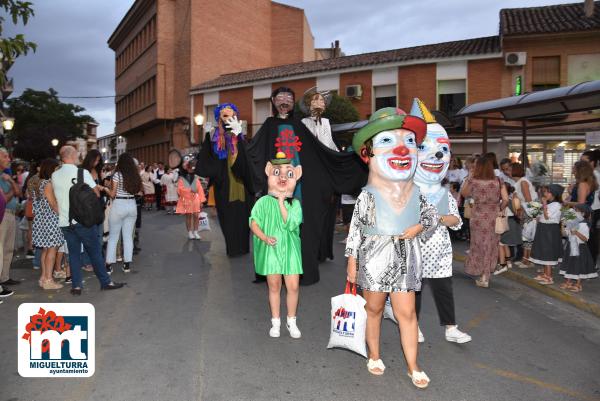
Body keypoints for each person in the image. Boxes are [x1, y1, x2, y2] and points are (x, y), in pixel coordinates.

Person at [234, 86, 366, 285]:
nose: (284, 101)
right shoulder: (269, 125)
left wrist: (344, 158)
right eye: (280, 97)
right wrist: (240, 139)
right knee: (275, 226)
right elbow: (255, 152)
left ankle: (303, 272)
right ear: (273, 101)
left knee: (302, 227)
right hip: (276, 184)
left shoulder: (299, 125)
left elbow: (318, 151)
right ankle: (272, 271)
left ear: (292, 102)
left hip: (300, 186)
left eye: (288, 97)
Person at [345, 107, 435, 389]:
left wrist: (419, 227)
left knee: (407, 313)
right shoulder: (367, 195)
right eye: (387, 141)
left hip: (407, 255)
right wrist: (352, 262)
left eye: (410, 142)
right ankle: (374, 354)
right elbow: (356, 229)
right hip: (374, 255)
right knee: (373, 308)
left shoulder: (417, 192)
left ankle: (413, 366)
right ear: (367, 154)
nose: (402, 149)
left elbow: (430, 217)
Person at [410, 98, 471, 345]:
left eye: (443, 149)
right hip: (413, 250)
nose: (437, 154)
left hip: (440, 253)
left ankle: (451, 327)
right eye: (425, 147)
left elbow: (455, 220)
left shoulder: (443, 192)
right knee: (413, 291)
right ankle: (411, 325)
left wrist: (436, 218)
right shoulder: (406, 190)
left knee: (444, 290)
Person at [52, 145, 124, 295]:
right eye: (77, 154)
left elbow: (55, 198)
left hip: (65, 221)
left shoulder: (55, 175)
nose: (79, 156)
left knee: (73, 254)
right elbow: (96, 194)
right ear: (71, 156)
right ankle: (105, 282)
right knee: (95, 252)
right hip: (83, 220)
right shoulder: (82, 173)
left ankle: (76, 286)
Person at [250, 153, 303, 339]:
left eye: (288, 174)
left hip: (290, 251)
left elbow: (291, 223)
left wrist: (281, 202)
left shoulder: (295, 204)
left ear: (296, 175)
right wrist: (264, 237)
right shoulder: (263, 202)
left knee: (293, 286)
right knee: (274, 286)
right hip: (271, 250)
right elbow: (253, 222)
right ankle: (276, 322)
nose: (282, 177)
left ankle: (291, 321)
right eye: (277, 172)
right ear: (268, 172)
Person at [195, 103, 253, 256]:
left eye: (232, 115)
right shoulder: (213, 137)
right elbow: (206, 160)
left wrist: (238, 138)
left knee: (243, 217)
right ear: (218, 118)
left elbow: (249, 159)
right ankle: (232, 248)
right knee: (227, 217)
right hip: (224, 185)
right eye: (225, 116)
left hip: (242, 185)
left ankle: (243, 247)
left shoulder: (240, 135)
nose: (229, 119)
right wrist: (207, 139)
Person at [461, 153, 509, 288]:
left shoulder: (474, 181)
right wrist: (499, 209)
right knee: (491, 246)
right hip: (493, 216)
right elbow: (505, 199)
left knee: (478, 246)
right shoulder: (498, 180)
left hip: (477, 217)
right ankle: (485, 276)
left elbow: (464, 194)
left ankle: (481, 273)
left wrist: (469, 177)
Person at [106, 153, 141, 274]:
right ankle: (127, 265)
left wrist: (105, 188)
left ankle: (109, 266)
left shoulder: (117, 175)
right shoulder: (134, 176)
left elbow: (112, 194)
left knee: (113, 237)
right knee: (128, 237)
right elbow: (140, 192)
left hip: (119, 205)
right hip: (132, 205)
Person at [31, 158, 64, 290]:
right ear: (51, 169)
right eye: (56, 169)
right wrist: (64, 214)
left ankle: (44, 277)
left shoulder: (38, 183)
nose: (57, 171)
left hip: (41, 221)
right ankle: (49, 280)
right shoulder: (48, 184)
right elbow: (53, 205)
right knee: (52, 250)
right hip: (51, 221)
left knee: (45, 250)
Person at [530, 184, 564, 286]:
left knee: (548, 252)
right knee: (544, 251)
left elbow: (547, 216)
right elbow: (540, 216)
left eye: (547, 192)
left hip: (550, 230)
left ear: (553, 194)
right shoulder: (550, 204)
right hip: (543, 229)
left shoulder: (557, 205)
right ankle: (545, 273)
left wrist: (544, 204)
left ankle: (549, 277)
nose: (545, 194)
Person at [559, 205, 598, 292]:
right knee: (569, 264)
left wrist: (576, 232)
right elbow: (564, 234)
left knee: (578, 266)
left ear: (582, 214)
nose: (573, 212)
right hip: (570, 247)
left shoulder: (583, 225)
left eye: (576, 211)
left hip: (580, 248)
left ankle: (578, 284)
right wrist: (562, 224)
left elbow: (585, 239)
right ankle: (568, 281)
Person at [0, 148, 21, 291]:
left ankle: (4, 277)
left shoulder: (5, 176)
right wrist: (13, 190)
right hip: (3, 215)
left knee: (8, 249)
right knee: (1, 249)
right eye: (5, 156)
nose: (9, 159)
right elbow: (4, 199)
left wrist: (12, 184)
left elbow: (18, 191)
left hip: (11, 214)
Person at [513, 162, 538, 268]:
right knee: (526, 236)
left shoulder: (523, 182)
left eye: (509, 169)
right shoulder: (520, 182)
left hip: (531, 210)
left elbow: (529, 200)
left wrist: (521, 210)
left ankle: (527, 260)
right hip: (529, 209)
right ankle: (525, 259)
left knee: (528, 236)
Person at [494, 183, 523, 275]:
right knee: (505, 244)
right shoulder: (512, 199)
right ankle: (508, 262)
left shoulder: (504, 201)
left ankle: (502, 265)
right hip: (511, 222)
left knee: (500, 243)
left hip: (505, 223)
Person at [177, 159, 206, 240]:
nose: (192, 170)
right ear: (187, 168)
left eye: (193, 168)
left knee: (196, 216)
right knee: (189, 216)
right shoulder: (182, 178)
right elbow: (179, 189)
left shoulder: (196, 178)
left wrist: (201, 201)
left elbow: (200, 190)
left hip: (195, 198)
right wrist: (190, 190)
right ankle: (190, 232)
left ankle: (196, 232)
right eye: (191, 168)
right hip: (186, 199)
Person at [580, 150, 600, 264]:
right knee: (586, 236)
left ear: (592, 163)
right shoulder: (585, 174)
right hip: (587, 208)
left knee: (590, 237)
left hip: (592, 208)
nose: (581, 163)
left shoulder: (595, 175)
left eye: (584, 161)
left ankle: (591, 263)